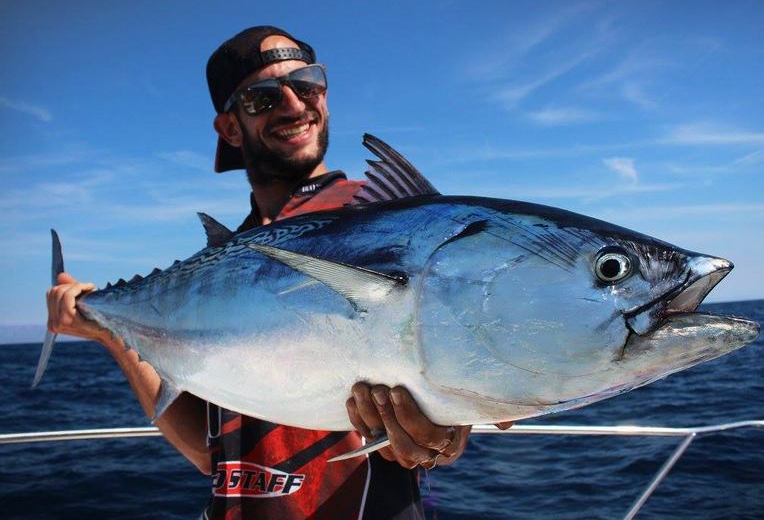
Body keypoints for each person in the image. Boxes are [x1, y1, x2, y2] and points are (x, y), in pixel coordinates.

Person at [46, 26, 510, 519]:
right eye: (263, 98)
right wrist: (110, 333)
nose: (294, 105)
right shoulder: (221, 267)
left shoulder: (390, 222)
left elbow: (457, 399)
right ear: (229, 128)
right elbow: (210, 454)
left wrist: (444, 430)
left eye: (307, 84)